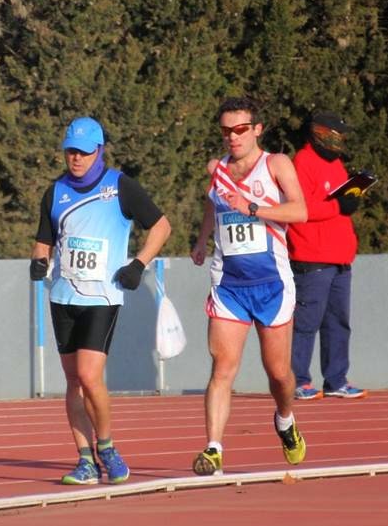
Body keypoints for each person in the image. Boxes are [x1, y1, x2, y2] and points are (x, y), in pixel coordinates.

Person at [30, 117, 171, 485]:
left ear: (99, 150)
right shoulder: (55, 191)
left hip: (103, 296)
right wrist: (38, 260)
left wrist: (139, 264)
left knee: (91, 377)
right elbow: (44, 237)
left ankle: (106, 447)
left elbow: (161, 226)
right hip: (63, 296)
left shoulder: (120, 186)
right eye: (70, 151)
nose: (75, 158)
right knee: (73, 380)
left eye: (83, 152)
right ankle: (84, 459)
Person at [190, 97, 308, 476]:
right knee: (223, 367)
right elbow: (212, 205)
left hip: (272, 284)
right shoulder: (215, 169)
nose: (232, 137)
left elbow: (299, 211)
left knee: (278, 374)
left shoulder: (275, 164)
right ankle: (213, 449)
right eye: (226, 130)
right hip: (229, 286)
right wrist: (202, 238)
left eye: (240, 129)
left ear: (257, 129)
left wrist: (252, 207)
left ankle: (286, 420)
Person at [288, 111, 367, 400]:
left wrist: (351, 201)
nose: (339, 141)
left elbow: (339, 205)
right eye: (335, 135)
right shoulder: (301, 162)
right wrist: (339, 206)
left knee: (338, 322)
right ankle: (297, 381)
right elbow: (301, 210)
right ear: (320, 133)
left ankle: (336, 380)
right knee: (306, 322)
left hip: (340, 257)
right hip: (312, 257)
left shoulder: (337, 165)